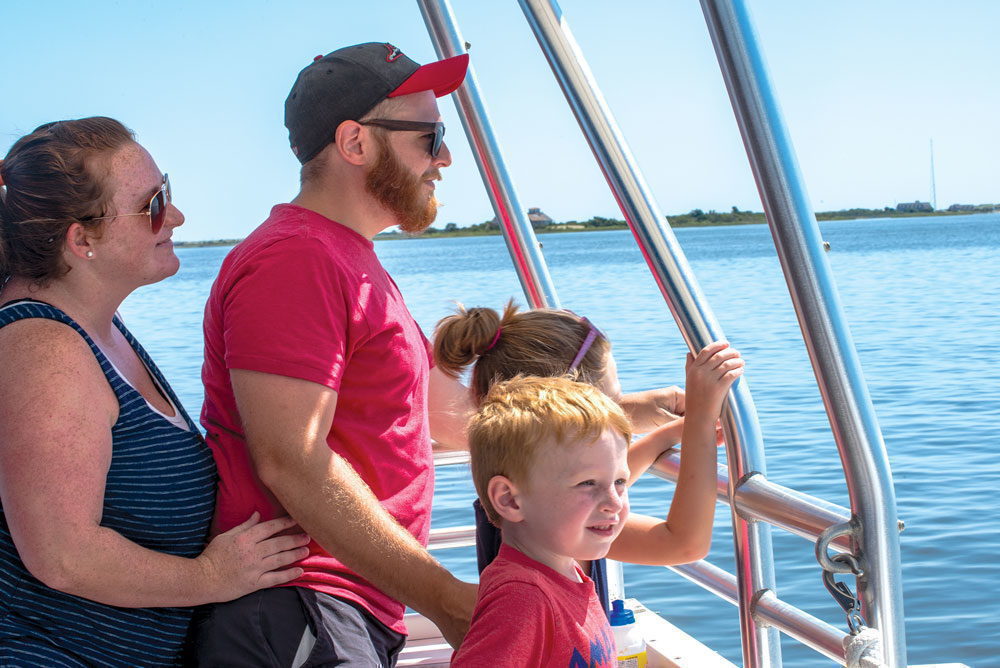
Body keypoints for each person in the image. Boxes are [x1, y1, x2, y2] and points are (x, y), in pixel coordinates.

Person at [194, 43, 478, 665]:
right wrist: (449, 601)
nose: (446, 158)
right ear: (355, 143)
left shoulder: (349, 259)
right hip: (301, 607)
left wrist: (637, 413)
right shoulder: (295, 261)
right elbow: (292, 462)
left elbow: (447, 420)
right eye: (430, 138)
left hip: (345, 608)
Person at [0, 117, 308, 667]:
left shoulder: (96, 328)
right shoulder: (43, 349)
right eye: (153, 204)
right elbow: (62, 555)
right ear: (82, 239)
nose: (178, 216)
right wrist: (211, 577)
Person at [453, 345, 740, 665]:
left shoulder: (560, 567)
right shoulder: (523, 600)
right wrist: (699, 419)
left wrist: (671, 435)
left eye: (620, 481)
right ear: (509, 499)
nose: (614, 503)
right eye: (588, 484)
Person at [434, 302, 726, 569]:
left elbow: (585, 480)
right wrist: (700, 418)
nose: (619, 413)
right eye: (612, 402)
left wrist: (663, 438)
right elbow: (682, 545)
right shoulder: (553, 531)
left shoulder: (523, 492)